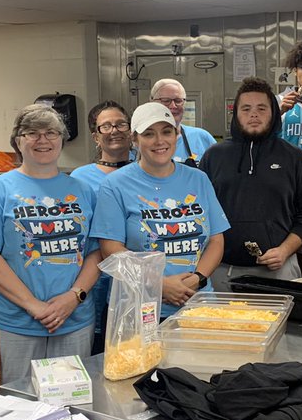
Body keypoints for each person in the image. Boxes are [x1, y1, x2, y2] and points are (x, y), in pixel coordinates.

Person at [0, 104, 101, 386]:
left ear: (62, 139)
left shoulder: (83, 190)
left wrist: (73, 297)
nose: (43, 140)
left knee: (70, 405)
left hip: (73, 321)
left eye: (51, 133)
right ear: (18, 141)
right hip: (16, 324)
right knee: (17, 407)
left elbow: (97, 252)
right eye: (32, 133)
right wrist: (33, 306)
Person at [90, 101, 229, 318]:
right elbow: (110, 248)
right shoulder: (116, 184)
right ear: (134, 139)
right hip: (138, 308)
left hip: (196, 302)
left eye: (167, 132)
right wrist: (159, 284)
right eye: (148, 134)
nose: (159, 141)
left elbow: (216, 240)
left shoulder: (198, 179)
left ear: (177, 136)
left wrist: (198, 278)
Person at [199, 78, 302, 291]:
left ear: (274, 112)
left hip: (280, 271)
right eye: (246, 109)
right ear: (236, 114)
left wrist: (284, 250)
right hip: (220, 272)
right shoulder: (214, 156)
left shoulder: (294, 157)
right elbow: (199, 211)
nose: (253, 114)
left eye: (261, 108)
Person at [71, 101, 132, 353]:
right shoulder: (80, 179)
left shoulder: (148, 172)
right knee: (100, 348)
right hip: (97, 277)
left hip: (138, 278)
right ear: (96, 136)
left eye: (120, 124)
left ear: (131, 130)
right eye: (105, 126)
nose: (114, 130)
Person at [150, 78, 215, 166]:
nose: (173, 106)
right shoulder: (141, 142)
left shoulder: (202, 138)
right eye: (165, 100)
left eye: (178, 101)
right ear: (152, 102)